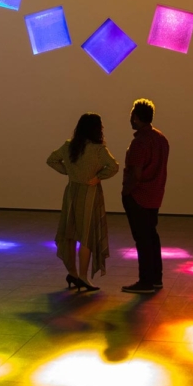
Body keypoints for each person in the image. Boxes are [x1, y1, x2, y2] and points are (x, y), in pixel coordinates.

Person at [47, 113, 119, 291]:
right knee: (86, 236)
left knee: (69, 234)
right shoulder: (98, 149)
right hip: (89, 194)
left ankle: (72, 272)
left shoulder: (69, 146)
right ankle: (83, 277)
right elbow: (114, 166)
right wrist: (98, 177)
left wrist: (68, 172)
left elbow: (51, 160)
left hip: (71, 192)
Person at [120, 98, 171, 294]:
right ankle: (156, 278)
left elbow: (136, 173)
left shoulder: (139, 142)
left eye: (132, 114)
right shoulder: (161, 139)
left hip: (139, 197)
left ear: (138, 117)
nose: (130, 118)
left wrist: (126, 191)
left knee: (142, 239)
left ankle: (145, 282)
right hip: (155, 195)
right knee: (152, 237)